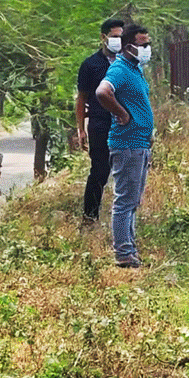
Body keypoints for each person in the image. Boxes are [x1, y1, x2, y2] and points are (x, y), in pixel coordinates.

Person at [96, 24, 155, 268]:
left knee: (132, 201)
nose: (146, 49)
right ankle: (123, 253)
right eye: (142, 44)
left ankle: (129, 249)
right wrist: (122, 113)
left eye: (147, 44)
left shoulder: (135, 69)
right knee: (124, 202)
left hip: (139, 143)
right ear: (129, 46)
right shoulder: (120, 69)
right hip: (127, 144)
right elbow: (102, 92)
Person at [76, 18, 124, 225]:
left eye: (121, 37)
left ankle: (122, 217)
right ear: (103, 37)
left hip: (124, 124)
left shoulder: (127, 63)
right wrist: (81, 129)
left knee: (126, 170)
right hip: (100, 123)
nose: (118, 41)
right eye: (114, 37)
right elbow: (81, 98)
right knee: (99, 170)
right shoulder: (90, 65)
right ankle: (90, 216)